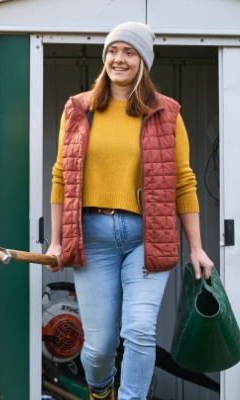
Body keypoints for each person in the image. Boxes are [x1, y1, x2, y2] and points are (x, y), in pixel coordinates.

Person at [45, 21, 214, 400]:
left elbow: (183, 182)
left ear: (143, 62)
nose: (118, 59)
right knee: (100, 347)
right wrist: (55, 242)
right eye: (112, 50)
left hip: (147, 238)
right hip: (93, 239)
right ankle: (101, 390)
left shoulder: (166, 113)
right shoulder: (78, 110)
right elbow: (60, 177)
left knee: (139, 330)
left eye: (129, 52)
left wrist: (197, 248)